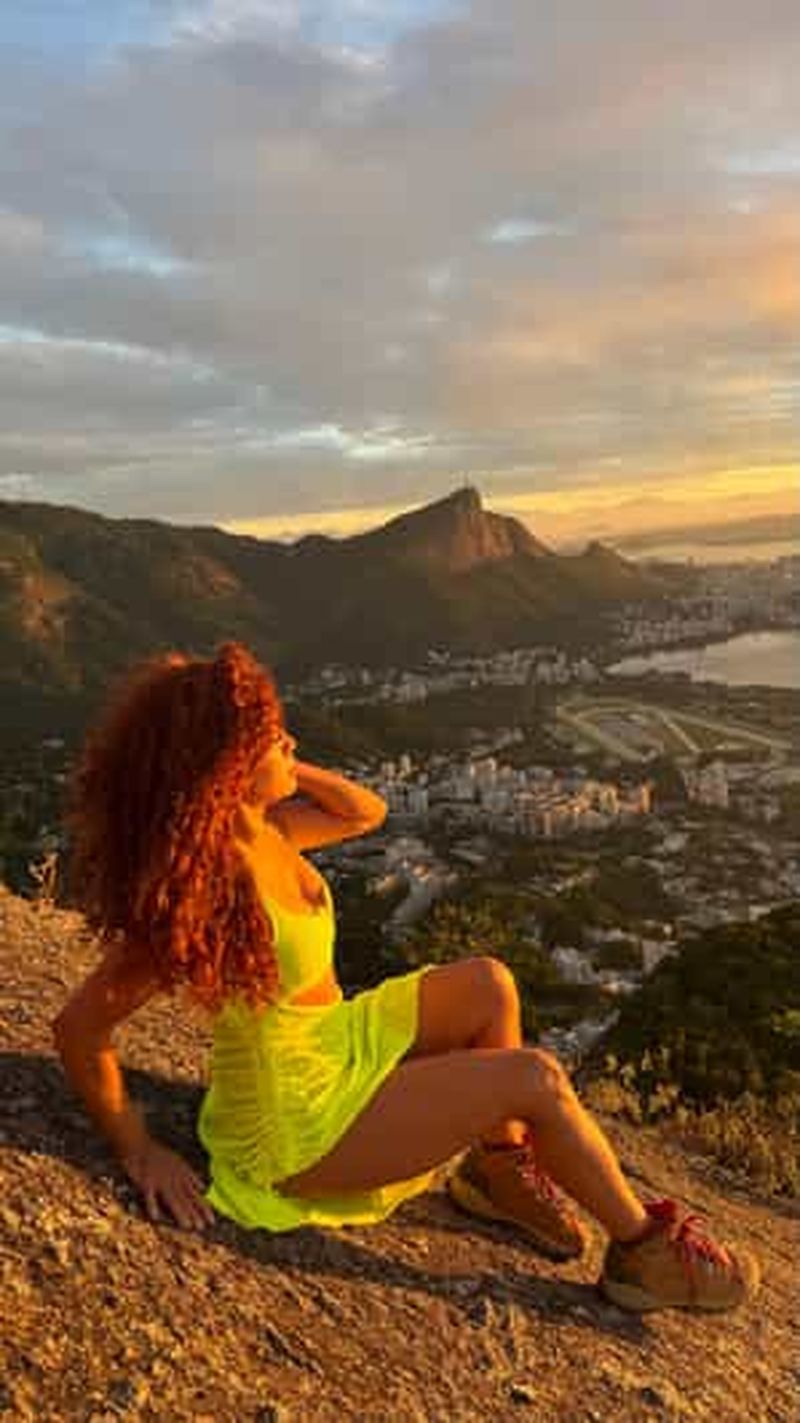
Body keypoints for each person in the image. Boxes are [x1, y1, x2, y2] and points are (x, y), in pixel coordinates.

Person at [53, 642, 758, 1313]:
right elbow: (80, 1028)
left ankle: (497, 1170)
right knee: (533, 1078)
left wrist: (283, 765)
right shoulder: (205, 888)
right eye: (275, 737)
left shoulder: (268, 828)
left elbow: (368, 811)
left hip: (334, 1040)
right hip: (297, 1120)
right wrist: (139, 1148)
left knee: (490, 982)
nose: (291, 741)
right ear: (228, 767)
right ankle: (644, 1254)